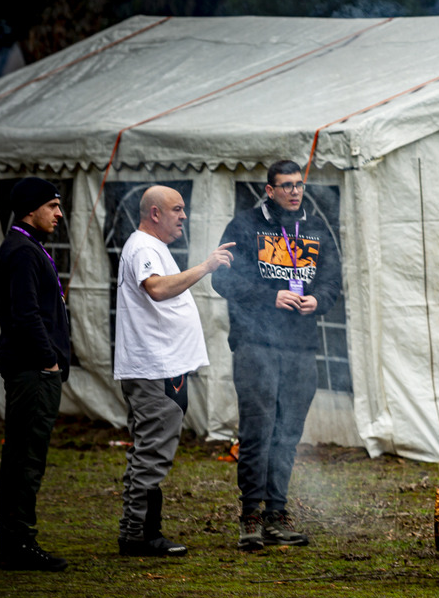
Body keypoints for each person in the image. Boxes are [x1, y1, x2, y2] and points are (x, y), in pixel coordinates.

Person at [212, 160, 342, 551]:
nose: (294, 192)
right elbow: (223, 277)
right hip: (256, 344)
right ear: (269, 190)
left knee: (288, 434)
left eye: (299, 185)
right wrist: (271, 295)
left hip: (301, 346)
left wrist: (318, 300)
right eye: (285, 186)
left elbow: (333, 282)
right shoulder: (244, 226)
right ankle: (250, 516)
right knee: (258, 431)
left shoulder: (316, 229)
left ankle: (276, 515)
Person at [114, 186, 236, 557]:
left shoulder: (152, 247)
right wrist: (206, 266)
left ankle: (143, 531)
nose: (183, 215)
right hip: (154, 369)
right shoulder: (144, 248)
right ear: (154, 213)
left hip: (162, 367)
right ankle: (137, 535)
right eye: (176, 209)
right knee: (152, 453)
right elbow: (157, 289)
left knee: (148, 452)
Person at [0, 177, 70, 571]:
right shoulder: (22, 251)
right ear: (30, 210)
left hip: (33, 370)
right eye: (52, 206)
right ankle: (17, 540)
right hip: (32, 372)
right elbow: (25, 315)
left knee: (24, 453)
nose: (59, 214)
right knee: (25, 457)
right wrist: (48, 360)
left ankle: (14, 538)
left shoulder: (28, 247)